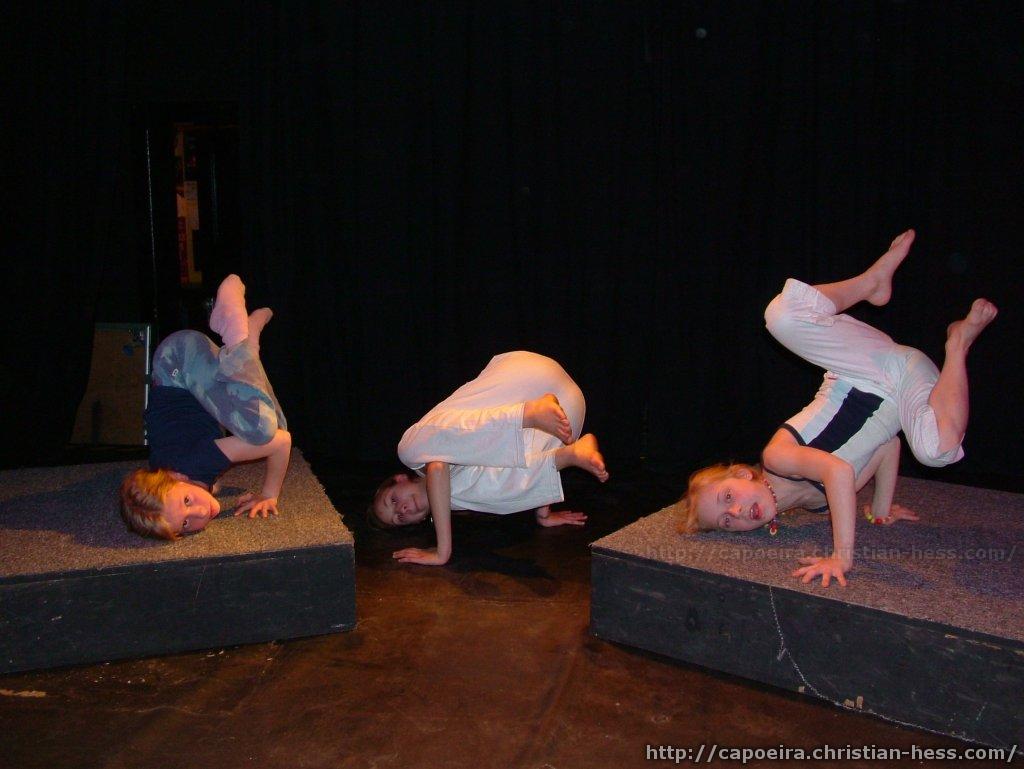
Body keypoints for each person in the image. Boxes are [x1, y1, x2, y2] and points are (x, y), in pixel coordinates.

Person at [675, 230, 997, 587]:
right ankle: (958, 344)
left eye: (728, 497)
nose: (736, 512)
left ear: (742, 474)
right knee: (937, 452)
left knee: (782, 316)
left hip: (860, 367)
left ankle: (871, 282)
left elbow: (839, 471)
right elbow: (887, 446)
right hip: (906, 384)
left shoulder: (777, 457)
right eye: (727, 522)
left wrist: (841, 557)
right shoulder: (818, 505)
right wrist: (880, 510)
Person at [369, 351, 609, 566]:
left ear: (400, 479)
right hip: (570, 412)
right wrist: (543, 514)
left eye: (393, 500)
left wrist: (442, 552)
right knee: (470, 490)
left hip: (522, 380)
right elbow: (509, 469)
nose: (402, 509)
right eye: (400, 518)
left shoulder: (416, 456)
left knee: (411, 449)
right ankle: (568, 455)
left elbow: (437, 468)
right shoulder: (460, 493)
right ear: (419, 520)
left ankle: (527, 415)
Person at [119, 275, 292, 539]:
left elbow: (282, 442)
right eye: (185, 524)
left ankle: (232, 327)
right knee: (263, 414)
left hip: (177, 362)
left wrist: (269, 495)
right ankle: (248, 344)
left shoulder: (197, 461)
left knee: (260, 429)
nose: (200, 513)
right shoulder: (179, 478)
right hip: (190, 380)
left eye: (187, 501)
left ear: (177, 476)